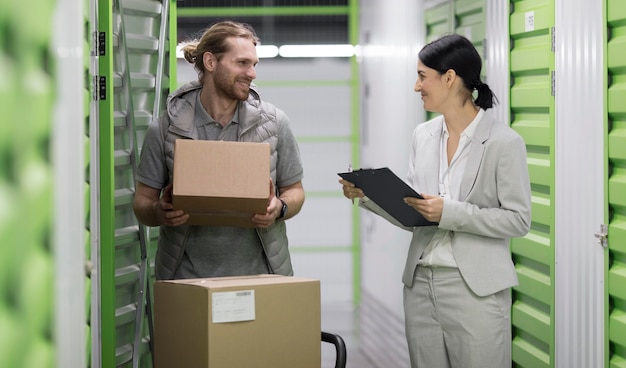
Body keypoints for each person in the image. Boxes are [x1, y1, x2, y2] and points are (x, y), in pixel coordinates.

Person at [339, 34, 531, 368]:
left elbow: (518, 219)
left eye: (422, 76)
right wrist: (369, 195)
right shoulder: (423, 135)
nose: (416, 86)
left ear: (450, 77)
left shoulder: (504, 142)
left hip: (476, 291)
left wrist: (450, 212)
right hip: (420, 286)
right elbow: (414, 213)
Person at [133, 20, 305, 280]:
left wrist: (278, 207)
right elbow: (142, 202)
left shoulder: (274, 124)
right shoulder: (166, 128)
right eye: (242, 63)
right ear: (211, 62)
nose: (252, 73)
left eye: (254, 64)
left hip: (262, 276)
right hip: (187, 279)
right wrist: (159, 212)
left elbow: (295, 191)